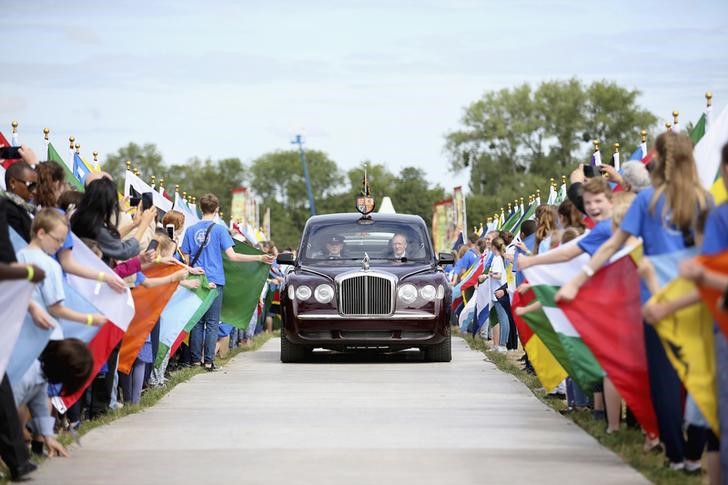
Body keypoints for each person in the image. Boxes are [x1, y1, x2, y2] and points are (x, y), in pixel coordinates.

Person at [556, 131, 712, 471]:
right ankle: (695, 453)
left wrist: (578, 280)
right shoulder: (704, 199)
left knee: (664, 379)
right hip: (695, 298)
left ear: (655, 160)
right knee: (700, 376)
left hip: (655, 299)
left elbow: (612, 245)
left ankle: (674, 455)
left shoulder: (647, 202)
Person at [181, 193, 274, 371]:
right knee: (213, 322)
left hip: (197, 280)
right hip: (215, 279)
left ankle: (194, 361)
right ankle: (208, 361)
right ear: (216, 210)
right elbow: (233, 256)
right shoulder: (219, 230)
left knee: (197, 322)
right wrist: (259, 257)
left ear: (201, 209)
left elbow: (185, 259)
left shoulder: (190, 230)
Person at [12, 339, 93, 459]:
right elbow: (6, 411)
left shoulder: (39, 374)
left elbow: (40, 407)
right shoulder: (25, 376)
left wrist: (48, 438)